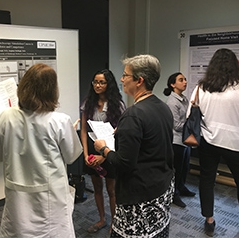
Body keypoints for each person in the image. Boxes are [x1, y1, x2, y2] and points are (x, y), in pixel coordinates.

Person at [0, 63, 83, 238]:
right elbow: (71, 156)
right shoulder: (60, 121)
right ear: (51, 90)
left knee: (18, 231)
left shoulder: (5, 117)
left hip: (18, 196)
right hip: (50, 196)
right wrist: (71, 131)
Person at [94, 54, 175, 238]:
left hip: (139, 199)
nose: (121, 79)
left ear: (139, 80)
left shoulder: (133, 114)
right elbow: (152, 143)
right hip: (161, 188)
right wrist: (124, 132)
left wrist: (103, 149)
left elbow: (124, 164)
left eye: (125, 75)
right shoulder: (162, 107)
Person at [188, 48, 239, 236]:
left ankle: (209, 220)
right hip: (237, 144)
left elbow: (191, 115)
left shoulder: (201, 88)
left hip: (209, 141)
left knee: (207, 180)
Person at [80, 69, 126, 233]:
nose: (97, 85)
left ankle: (115, 223)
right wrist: (86, 154)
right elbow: (84, 130)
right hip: (92, 149)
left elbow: (119, 132)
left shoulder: (118, 105)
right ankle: (101, 219)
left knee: (111, 190)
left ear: (109, 84)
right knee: (97, 187)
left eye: (102, 82)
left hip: (110, 149)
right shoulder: (88, 103)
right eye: (95, 82)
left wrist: (104, 156)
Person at [163, 72, 196, 209]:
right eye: (181, 80)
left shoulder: (184, 99)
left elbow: (188, 117)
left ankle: (181, 187)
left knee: (185, 167)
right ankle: (174, 194)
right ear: (172, 84)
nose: (185, 82)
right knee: (176, 169)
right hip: (176, 140)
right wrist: (192, 126)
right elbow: (176, 125)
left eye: (185, 79)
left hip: (185, 140)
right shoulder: (172, 102)